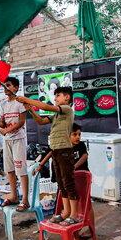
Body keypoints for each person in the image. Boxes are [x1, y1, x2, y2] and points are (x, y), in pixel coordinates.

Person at [19, 86, 80, 225]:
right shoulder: (57, 115)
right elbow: (40, 121)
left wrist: (26, 99)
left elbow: (45, 106)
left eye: (58, 95)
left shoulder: (67, 109)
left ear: (67, 97)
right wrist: (30, 110)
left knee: (68, 182)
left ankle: (74, 214)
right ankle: (66, 212)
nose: (55, 98)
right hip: (56, 150)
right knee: (61, 182)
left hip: (65, 150)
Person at [0, 77, 29, 212]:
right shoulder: (3, 104)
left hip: (18, 140)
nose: (5, 88)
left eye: (8, 85)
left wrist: (7, 130)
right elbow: (2, 123)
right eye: (4, 85)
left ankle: (25, 200)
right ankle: (14, 196)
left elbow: (21, 122)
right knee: (9, 170)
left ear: (16, 88)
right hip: (7, 141)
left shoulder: (20, 103)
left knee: (21, 170)